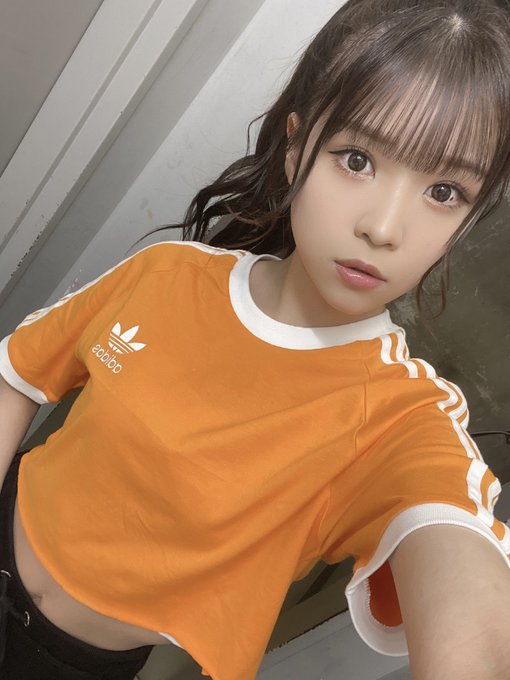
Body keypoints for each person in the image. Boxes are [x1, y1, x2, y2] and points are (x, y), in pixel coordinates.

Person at [0, 0, 509, 678]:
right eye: (357, 158)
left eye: (444, 192)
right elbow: (17, 373)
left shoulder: (401, 419)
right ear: (296, 147)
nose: (384, 228)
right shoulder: (167, 274)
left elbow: (460, 558)